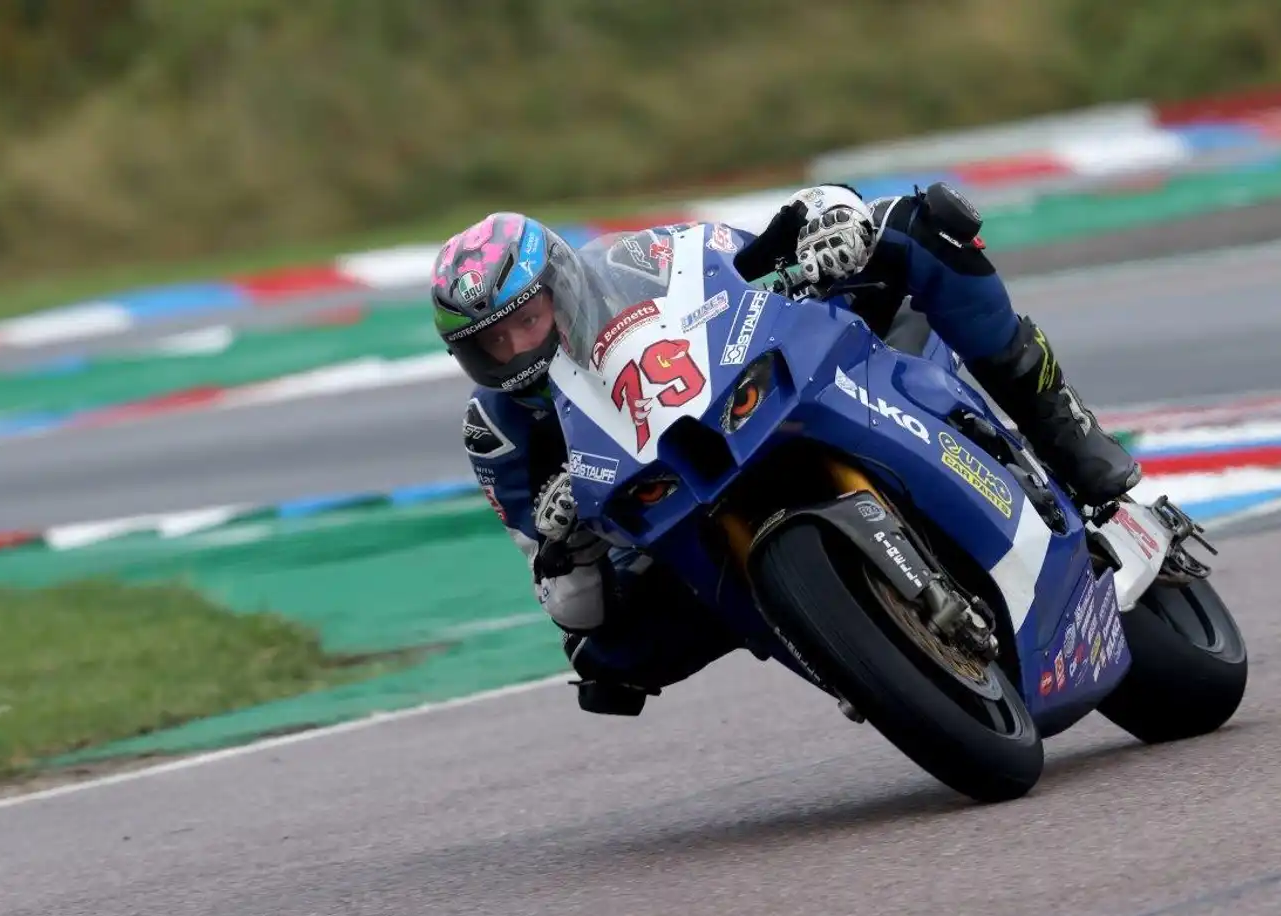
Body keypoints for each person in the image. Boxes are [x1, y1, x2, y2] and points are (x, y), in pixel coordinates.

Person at [429, 185, 1142, 717]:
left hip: (755, 389)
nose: (514, 349)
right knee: (605, 655)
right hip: (670, 518)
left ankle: (1064, 431)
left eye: (526, 321)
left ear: (560, 287)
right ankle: (847, 647)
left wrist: (829, 223)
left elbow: (751, 245)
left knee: (923, 224)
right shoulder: (499, 433)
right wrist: (567, 546)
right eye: (491, 344)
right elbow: (568, 606)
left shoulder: (635, 262)